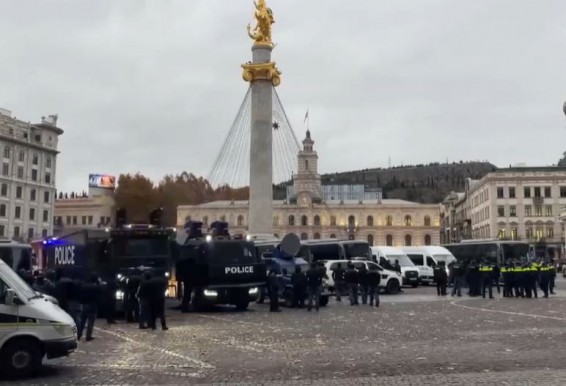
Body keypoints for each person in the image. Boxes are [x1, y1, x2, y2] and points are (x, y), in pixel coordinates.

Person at [77, 274, 101, 341]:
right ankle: (88, 336)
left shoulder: (83, 286)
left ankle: (78, 335)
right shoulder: (96, 287)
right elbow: (99, 296)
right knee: (90, 322)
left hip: (84, 305)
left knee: (82, 321)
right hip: (92, 305)